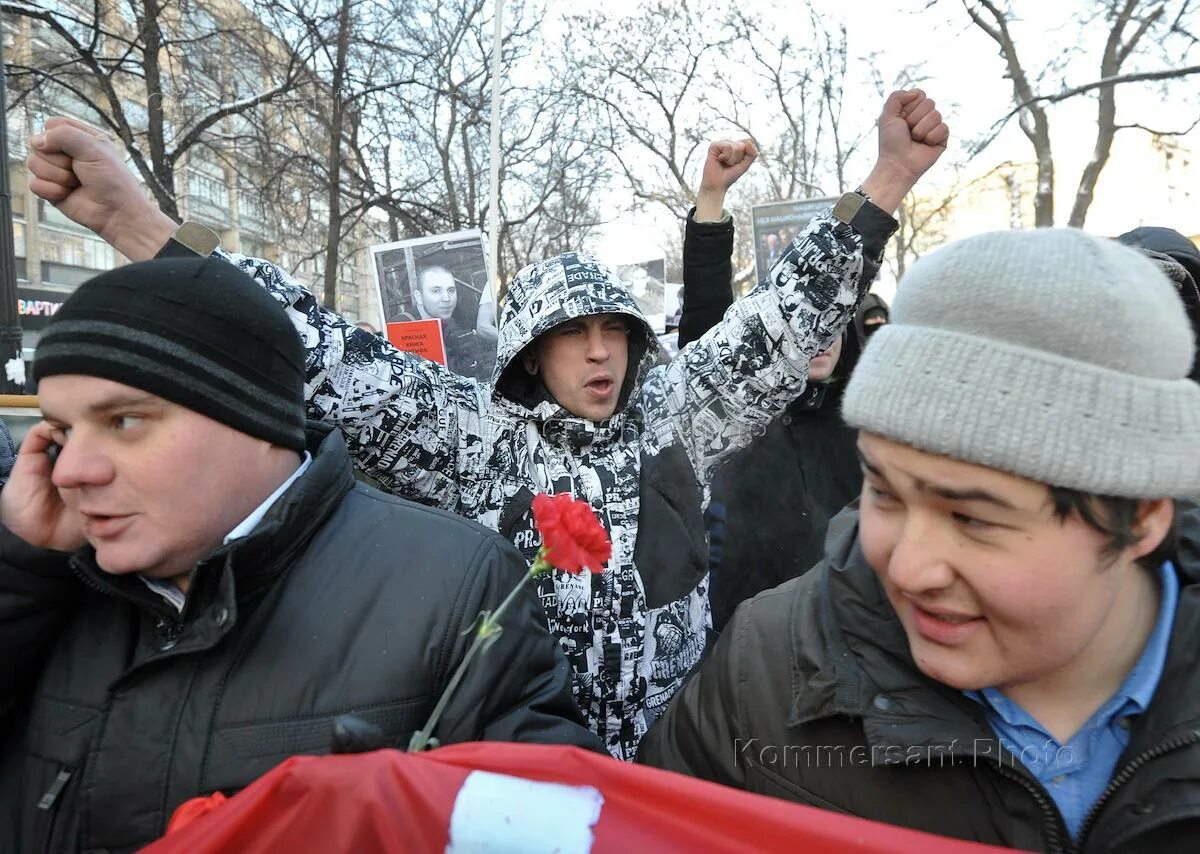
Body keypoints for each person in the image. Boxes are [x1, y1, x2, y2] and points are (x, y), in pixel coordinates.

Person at [26, 91, 949, 760]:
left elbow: (780, 320)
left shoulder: (680, 413)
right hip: (521, 763)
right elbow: (316, 346)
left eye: (615, 333)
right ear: (528, 355)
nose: (600, 355)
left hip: (683, 756)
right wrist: (139, 225)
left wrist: (887, 180)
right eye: (572, 336)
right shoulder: (474, 437)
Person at [0, 257, 596, 853]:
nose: (73, 471)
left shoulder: (456, 587)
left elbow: (548, 826)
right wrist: (22, 564)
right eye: (60, 432)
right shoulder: (53, 576)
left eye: (124, 421)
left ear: (254, 415)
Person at [640, 228, 1200, 851]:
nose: (906, 569)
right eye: (883, 492)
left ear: (1140, 517)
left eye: (972, 520)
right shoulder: (764, 678)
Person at [678, 139, 882, 630]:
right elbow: (708, 319)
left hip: (853, 631)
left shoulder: (869, 423)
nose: (820, 338)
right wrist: (711, 199)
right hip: (747, 639)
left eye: (832, 322)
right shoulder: (739, 408)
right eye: (806, 324)